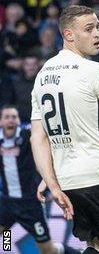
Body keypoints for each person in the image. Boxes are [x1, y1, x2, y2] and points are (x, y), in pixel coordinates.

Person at [30, 5, 99, 253]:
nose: (97, 34)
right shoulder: (94, 70)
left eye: (98, 28)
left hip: (68, 181)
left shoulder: (42, 74)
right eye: (89, 29)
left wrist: (52, 183)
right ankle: (5, 245)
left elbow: (38, 137)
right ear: (69, 35)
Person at [0, 105, 66, 254]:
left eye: (14, 117)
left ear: (18, 121)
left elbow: (44, 151)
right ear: (1, 122)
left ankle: (67, 251)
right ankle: (7, 250)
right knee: (5, 234)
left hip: (29, 204)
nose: (11, 120)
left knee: (48, 250)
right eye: (7, 117)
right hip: (7, 202)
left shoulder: (27, 136)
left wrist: (49, 185)